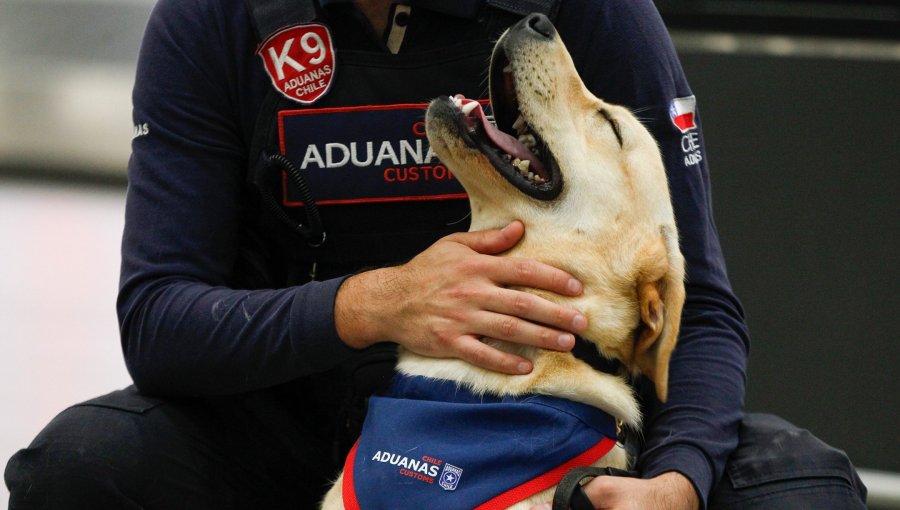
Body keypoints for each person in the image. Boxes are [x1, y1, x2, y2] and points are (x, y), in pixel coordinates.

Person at [5, 1, 868, 509]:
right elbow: (158, 320)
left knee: (804, 488)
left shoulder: (587, 15)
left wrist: (675, 481)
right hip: (298, 421)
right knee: (82, 469)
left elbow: (701, 308)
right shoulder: (214, 20)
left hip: (562, 435)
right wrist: (378, 303)